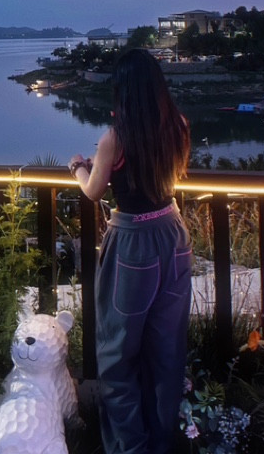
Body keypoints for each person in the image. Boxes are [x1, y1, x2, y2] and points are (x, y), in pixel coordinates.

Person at [68, 48, 192, 454]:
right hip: (173, 233)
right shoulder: (178, 126)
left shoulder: (114, 139)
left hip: (133, 245)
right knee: (167, 350)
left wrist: (79, 166)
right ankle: (162, 442)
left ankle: (129, 447)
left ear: (122, 90)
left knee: (118, 353)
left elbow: (93, 191)